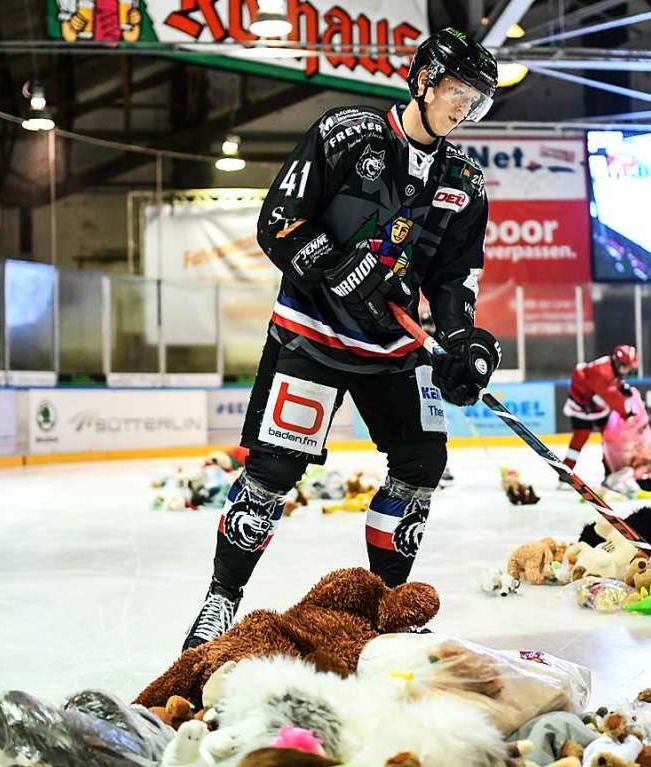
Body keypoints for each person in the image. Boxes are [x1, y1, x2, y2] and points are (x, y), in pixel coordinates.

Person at [181, 28, 501, 651]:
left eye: (475, 99)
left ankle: (383, 612)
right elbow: (278, 221)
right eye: (455, 91)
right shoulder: (345, 134)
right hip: (312, 334)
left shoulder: (466, 180)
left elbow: (454, 276)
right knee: (273, 471)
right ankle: (221, 601)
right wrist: (337, 271)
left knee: (421, 463)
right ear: (422, 81)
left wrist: (463, 340)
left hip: (393, 350)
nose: (462, 107)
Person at [560, 345, 639, 475]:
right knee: (580, 439)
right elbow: (611, 397)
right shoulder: (602, 371)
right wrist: (627, 412)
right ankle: (565, 474)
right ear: (617, 362)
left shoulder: (610, 367)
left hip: (597, 408)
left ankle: (610, 473)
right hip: (581, 408)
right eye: (626, 367)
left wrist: (621, 386)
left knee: (609, 440)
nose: (627, 371)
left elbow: (612, 384)